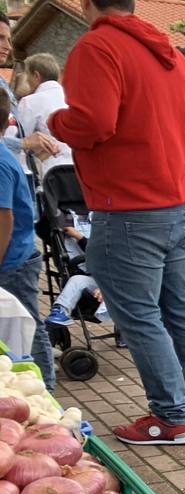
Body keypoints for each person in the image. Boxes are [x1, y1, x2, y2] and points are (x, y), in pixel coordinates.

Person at [49, 0, 185, 445]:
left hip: (128, 209)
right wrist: (178, 151)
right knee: (181, 306)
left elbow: (93, 121)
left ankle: (171, 417)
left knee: (140, 315)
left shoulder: (97, 46)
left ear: (88, 4)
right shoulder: (162, 47)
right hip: (178, 201)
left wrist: (55, 121)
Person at [0, 90, 54, 389]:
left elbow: (4, 218)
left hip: (12, 261)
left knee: (28, 327)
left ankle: (45, 390)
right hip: (13, 256)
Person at [0, 16, 59, 173]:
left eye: (9, 40)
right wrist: (24, 144)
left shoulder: (3, 82)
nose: (8, 47)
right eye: (0, 38)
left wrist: (37, 148)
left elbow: (14, 133)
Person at [16, 54, 72, 174]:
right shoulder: (72, 99)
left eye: (27, 75)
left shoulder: (30, 101)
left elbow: (20, 142)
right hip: (76, 169)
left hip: (49, 173)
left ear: (36, 76)